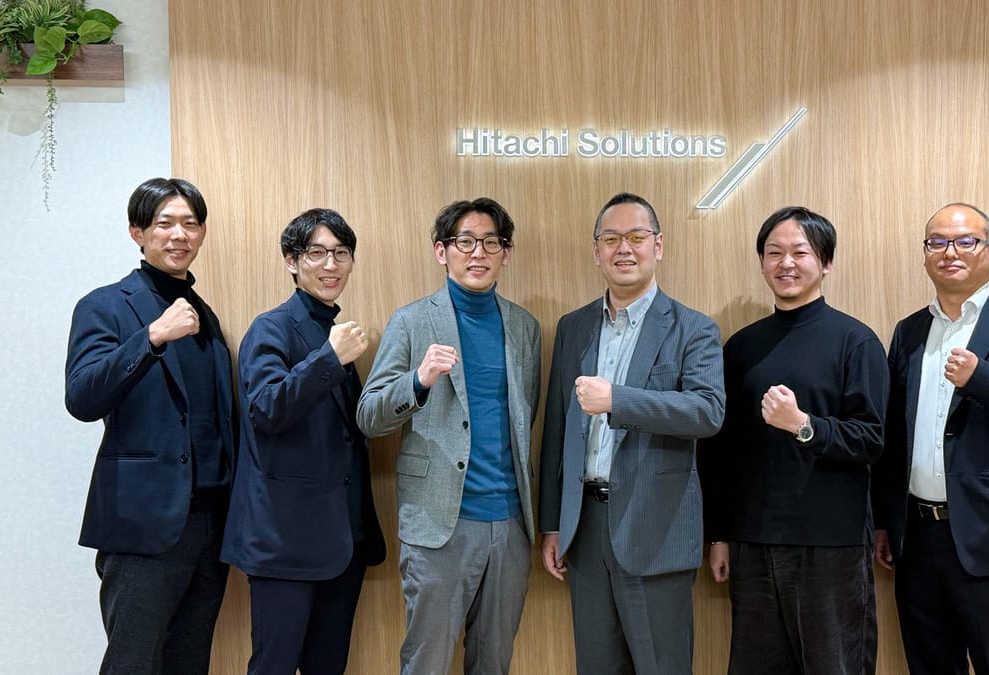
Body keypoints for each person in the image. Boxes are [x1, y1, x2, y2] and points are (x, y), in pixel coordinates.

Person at [872, 203, 989, 675]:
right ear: (925, 254)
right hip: (917, 538)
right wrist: (884, 521)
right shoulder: (910, 331)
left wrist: (983, 380)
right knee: (929, 665)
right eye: (937, 242)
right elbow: (894, 434)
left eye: (965, 241)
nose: (949, 252)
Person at [539, 192, 725, 675]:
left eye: (637, 237)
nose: (624, 248)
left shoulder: (693, 328)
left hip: (656, 529)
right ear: (596, 251)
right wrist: (553, 524)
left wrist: (618, 401)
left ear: (657, 246)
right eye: (611, 239)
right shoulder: (574, 327)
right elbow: (558, 430)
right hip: (585, 530)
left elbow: (708, 412)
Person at [698, 206, 887, 674]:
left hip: (831, 543)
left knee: (834, 665)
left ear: (826, 262)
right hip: (752, 541)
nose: (786, 263)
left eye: (800, 253)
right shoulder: (741, 346)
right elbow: (720, 452)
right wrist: (718, 535)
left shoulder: (855, 341)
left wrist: (805, 425)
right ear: (762, 263)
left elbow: (871, 439)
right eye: (774, 253)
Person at [356, 198, 541, 675]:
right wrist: (418, 381)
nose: (478, 253)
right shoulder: (412, 321)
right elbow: (369, 416)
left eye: (491, 242)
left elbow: (526, 419)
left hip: (510, 525)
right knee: (427, 663)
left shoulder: (524, 327)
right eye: (465, 242)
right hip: (439, 525)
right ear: (442, 251)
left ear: (506, 252)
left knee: (494, 663)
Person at [65, 178, 236, 674]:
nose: (179, 234)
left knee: (189, 662)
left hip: (209, 523)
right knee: (132, 664)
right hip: (143, 523)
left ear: (202, 233)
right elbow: (82, 398)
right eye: (165, 223)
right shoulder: (105, 305)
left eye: (190, 224)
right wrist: (152, 337)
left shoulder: (204, 316)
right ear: (137, 232)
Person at [221, 208, 386, 674]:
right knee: (273, 666)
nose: (331, 265)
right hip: (285, 542)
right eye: (316, 253)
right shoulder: (271, 328)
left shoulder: (334, 330)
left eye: (341, 253)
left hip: (342, 540)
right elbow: (266, 409)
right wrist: (330, 358)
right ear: (291, 261)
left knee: (327, 667)